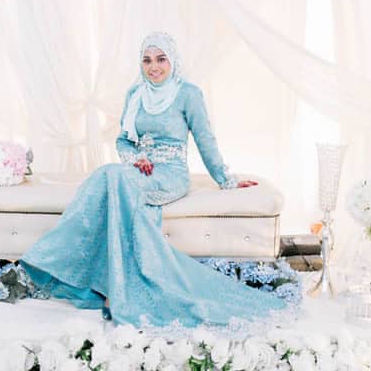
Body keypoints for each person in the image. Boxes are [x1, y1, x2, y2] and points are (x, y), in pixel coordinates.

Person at [19, 32, 285, 327]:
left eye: (160, 59)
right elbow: (123, 141)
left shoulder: (188, 94)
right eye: (146, 60)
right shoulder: (135, 95)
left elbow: (205, 139)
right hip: (138, 170)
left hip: (170, 174)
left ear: (172, 61)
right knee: (109, 175)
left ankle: (61, 267)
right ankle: (101, 281)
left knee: (109, 176)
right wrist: (136, 158)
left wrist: (226, 179)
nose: (153, 67)